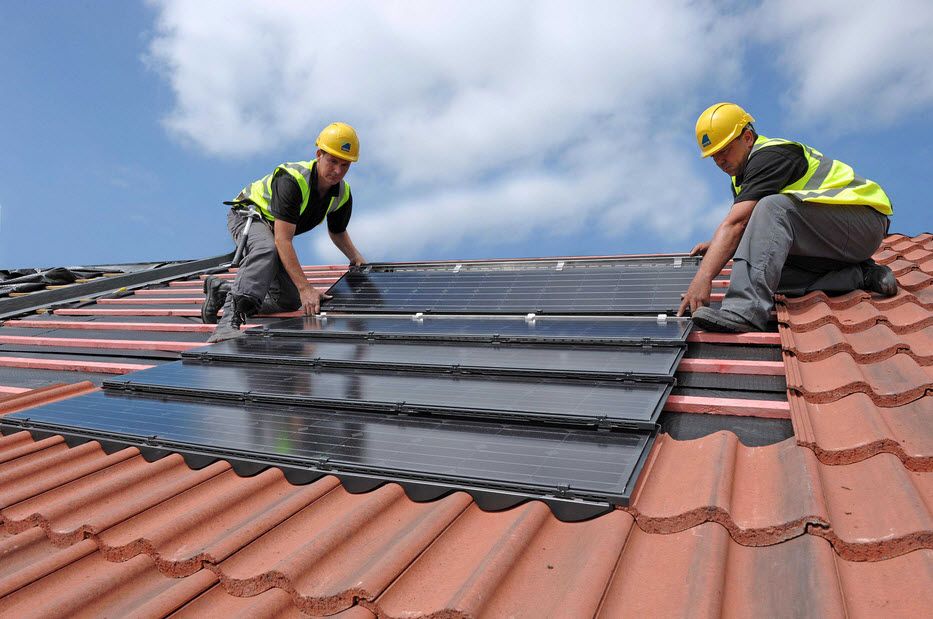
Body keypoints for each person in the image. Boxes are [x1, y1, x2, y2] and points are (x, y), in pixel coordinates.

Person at [678, 103, 896, 332]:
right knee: (764, 271)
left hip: (864, 221)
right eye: (713, 156)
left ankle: (744, 312)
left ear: (748, 138)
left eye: (724, 150)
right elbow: (749, 229)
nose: (719, 161)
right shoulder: (740, 178)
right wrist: (717, 246)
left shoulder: (770, 157)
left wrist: (704, 276)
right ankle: (860, 275)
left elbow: (738, 223)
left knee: (772, 207)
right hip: (831, 237)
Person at [203, 122, 366, 343]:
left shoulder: (342, 194)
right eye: (332, 161)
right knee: (266, 249)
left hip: (274, 231)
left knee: (289, 301)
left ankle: (223, 290)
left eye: (345, 165)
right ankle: (227, 324)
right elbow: (282, 239)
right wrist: (306, 287)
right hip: (248, 215)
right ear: (319, 154)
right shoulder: (292, 180)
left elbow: (337, 231)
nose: (338, 170)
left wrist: (355, 257)